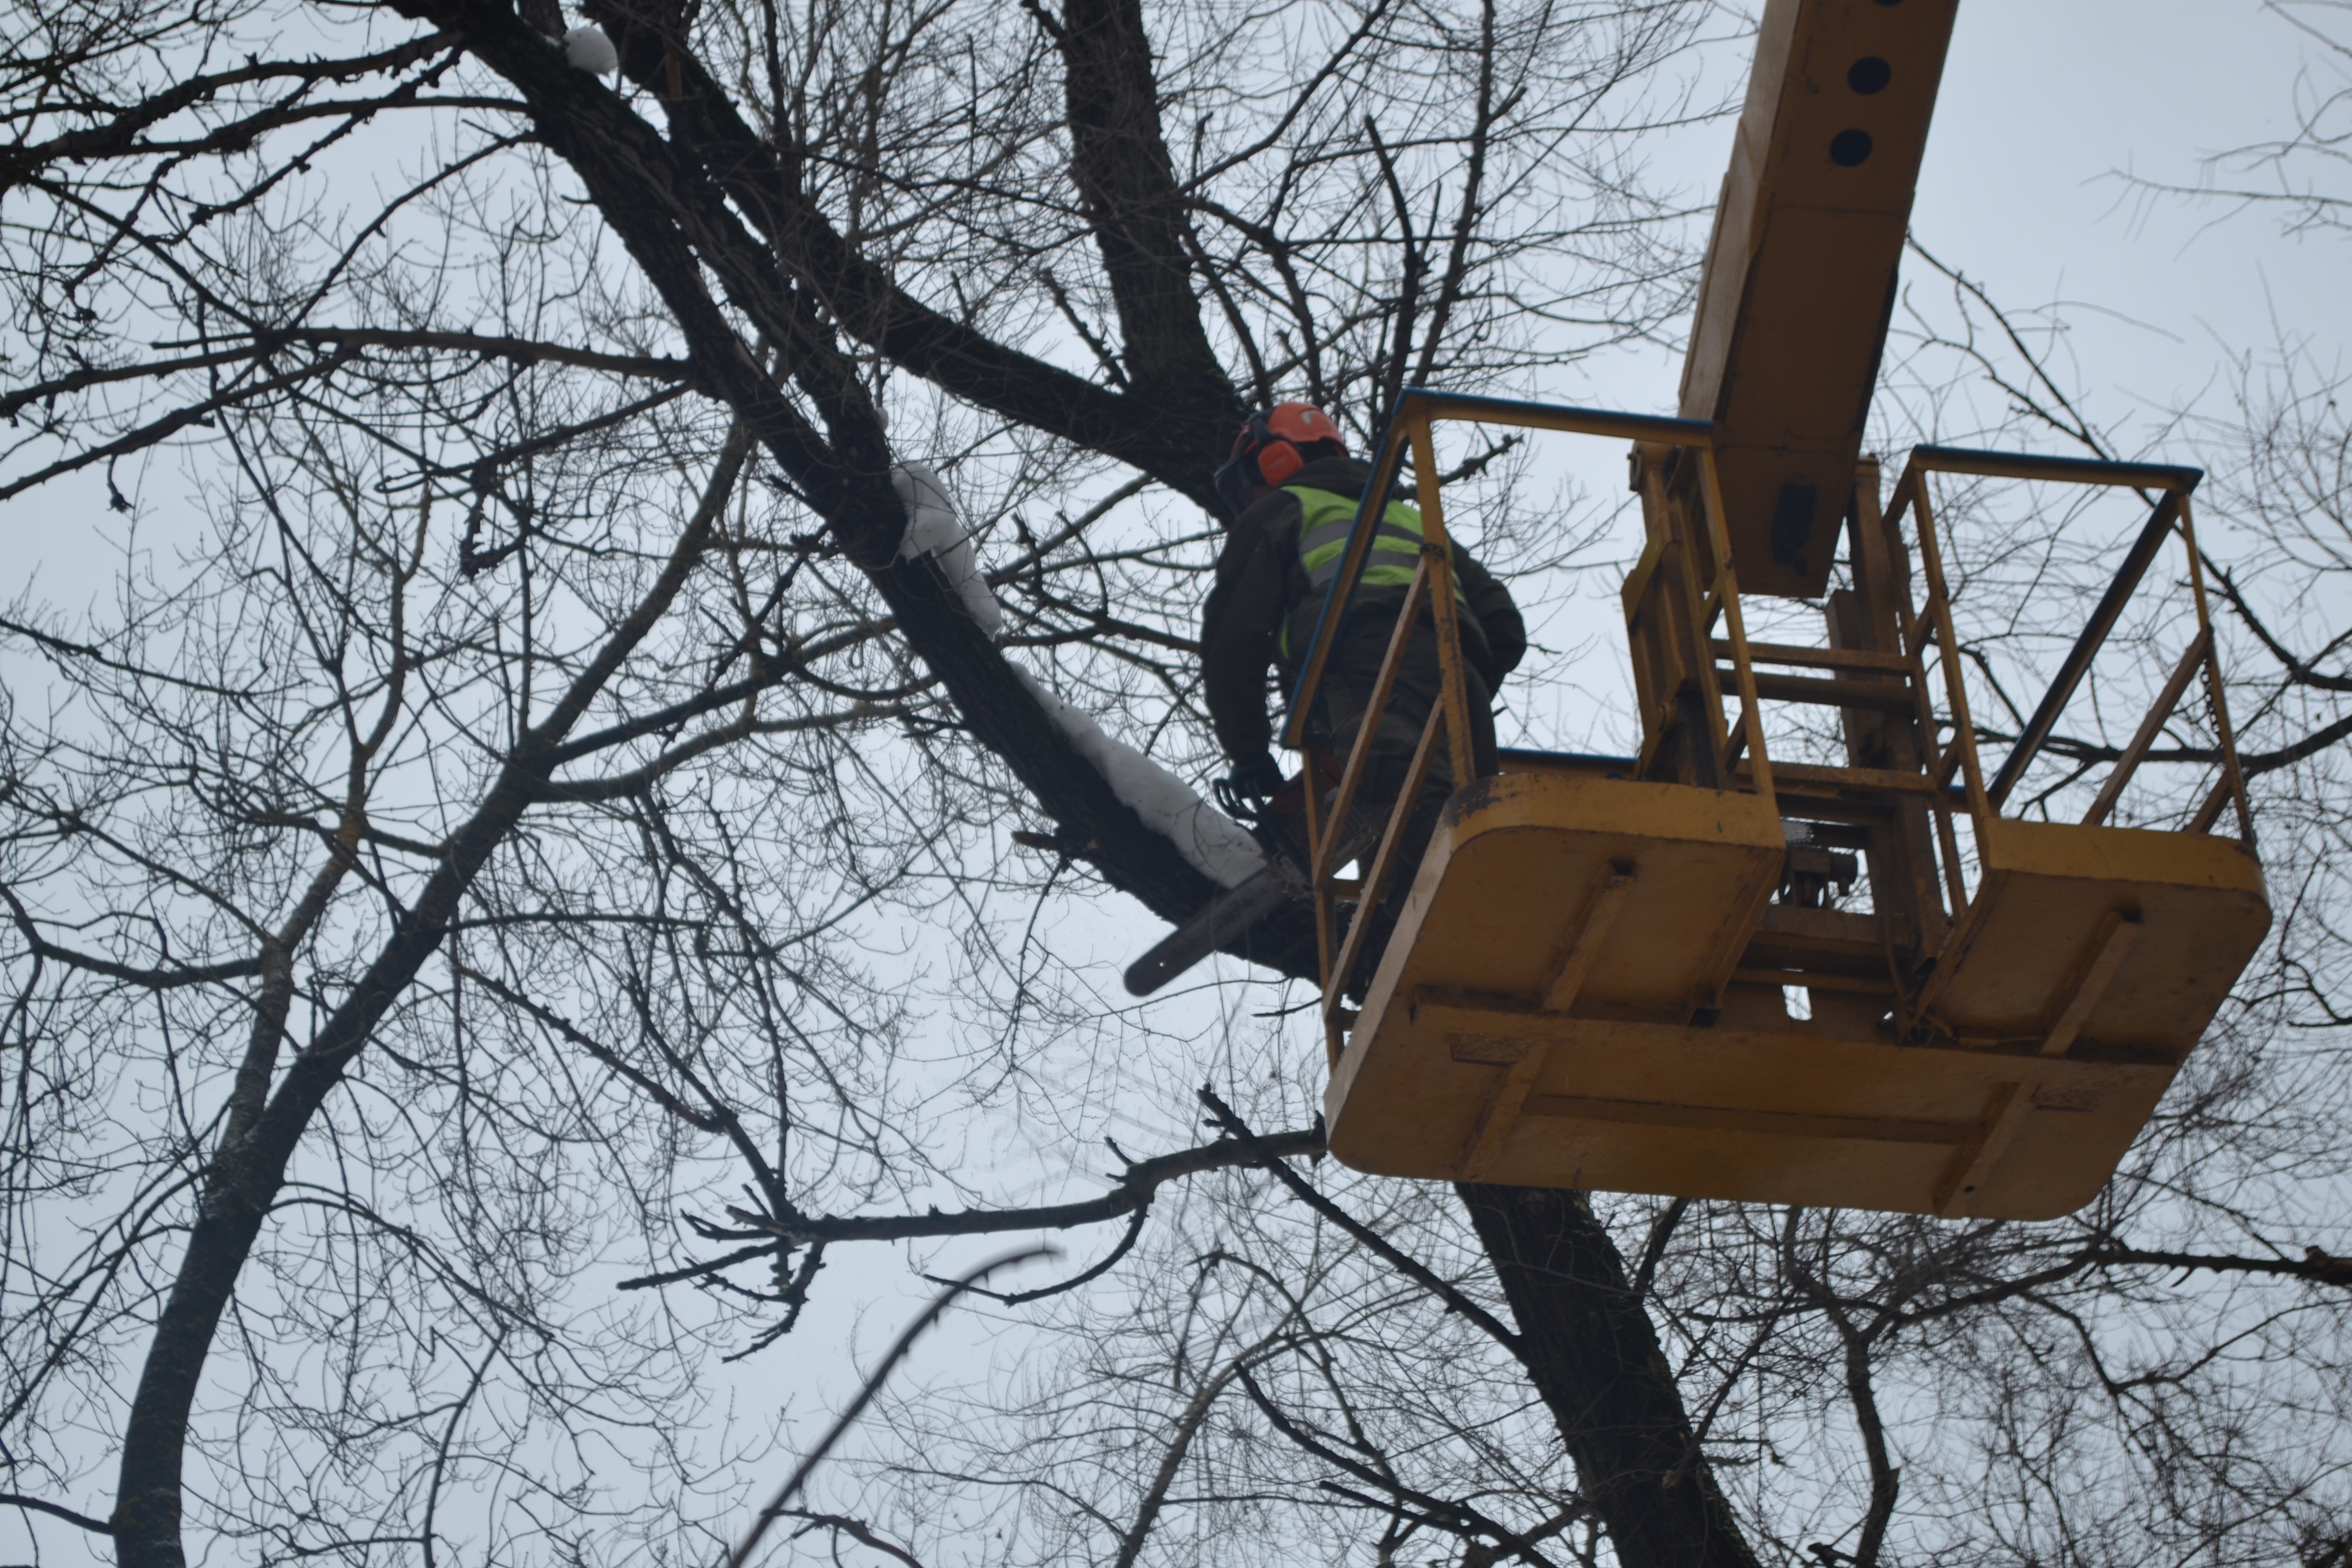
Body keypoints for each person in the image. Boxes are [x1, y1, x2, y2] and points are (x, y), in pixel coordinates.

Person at [1199, 402, 1524, 985]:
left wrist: (1248, 751)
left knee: (1403, 796)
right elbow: (1504, 624)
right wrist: (1447, 667)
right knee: (1469, 804)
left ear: (1274, 460)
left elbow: (1234, 640)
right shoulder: (1409, 515)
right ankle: (1494, 939)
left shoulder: (1282, 509)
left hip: (1365, 656)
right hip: (1460, 665)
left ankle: (1415, 951)